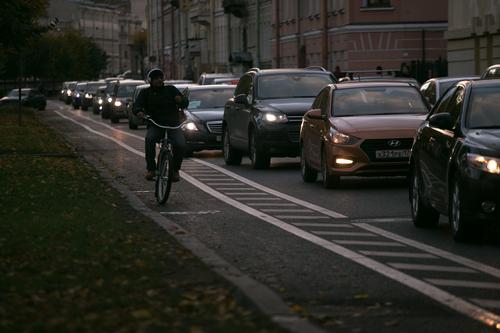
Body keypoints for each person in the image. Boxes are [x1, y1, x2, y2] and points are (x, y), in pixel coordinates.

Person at [133, 68, 189, 182]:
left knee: (180, 144)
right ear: (150, 81)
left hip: (173, 125)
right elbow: (136, 105)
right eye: (156, 78)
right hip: (156, 124)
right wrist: (139, 112)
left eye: (160, 78)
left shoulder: (171, 90)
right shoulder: (145, 93)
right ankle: (151, 169)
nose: (159, 80)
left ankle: (175, 170)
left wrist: (181, 100)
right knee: (150, 139)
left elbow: (184, 103)